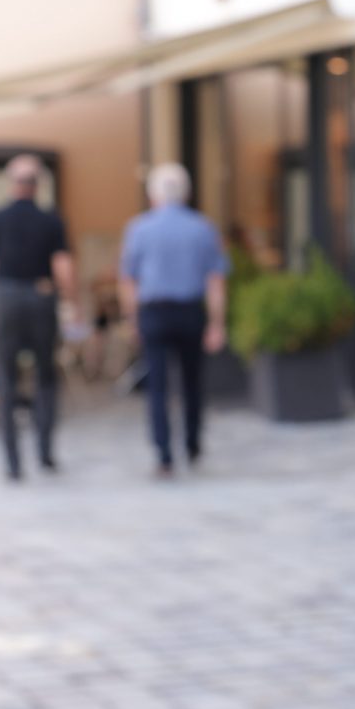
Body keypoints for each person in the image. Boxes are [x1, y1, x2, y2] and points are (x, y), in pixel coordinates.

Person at [0, 155, 75, 481]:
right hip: (41, 298)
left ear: (11, 183)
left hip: (8, 300)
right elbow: (63, 268)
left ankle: (13, 464)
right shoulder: (50, 219)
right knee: (45, 377)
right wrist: (71, 303)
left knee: (6, 380)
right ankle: (45, 455)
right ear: (37, 184)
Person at [119, 163, 230, 478]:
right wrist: (217, 323)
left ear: (152, 195)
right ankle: (192, 445)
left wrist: (132, 319)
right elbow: (216, 281)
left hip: (154, 311)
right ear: (187, 193)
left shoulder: (139, 228)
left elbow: (128, 281)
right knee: (192, 382)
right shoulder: (203, 228)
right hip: (190, 311)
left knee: (157, 385)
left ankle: (164, 455)